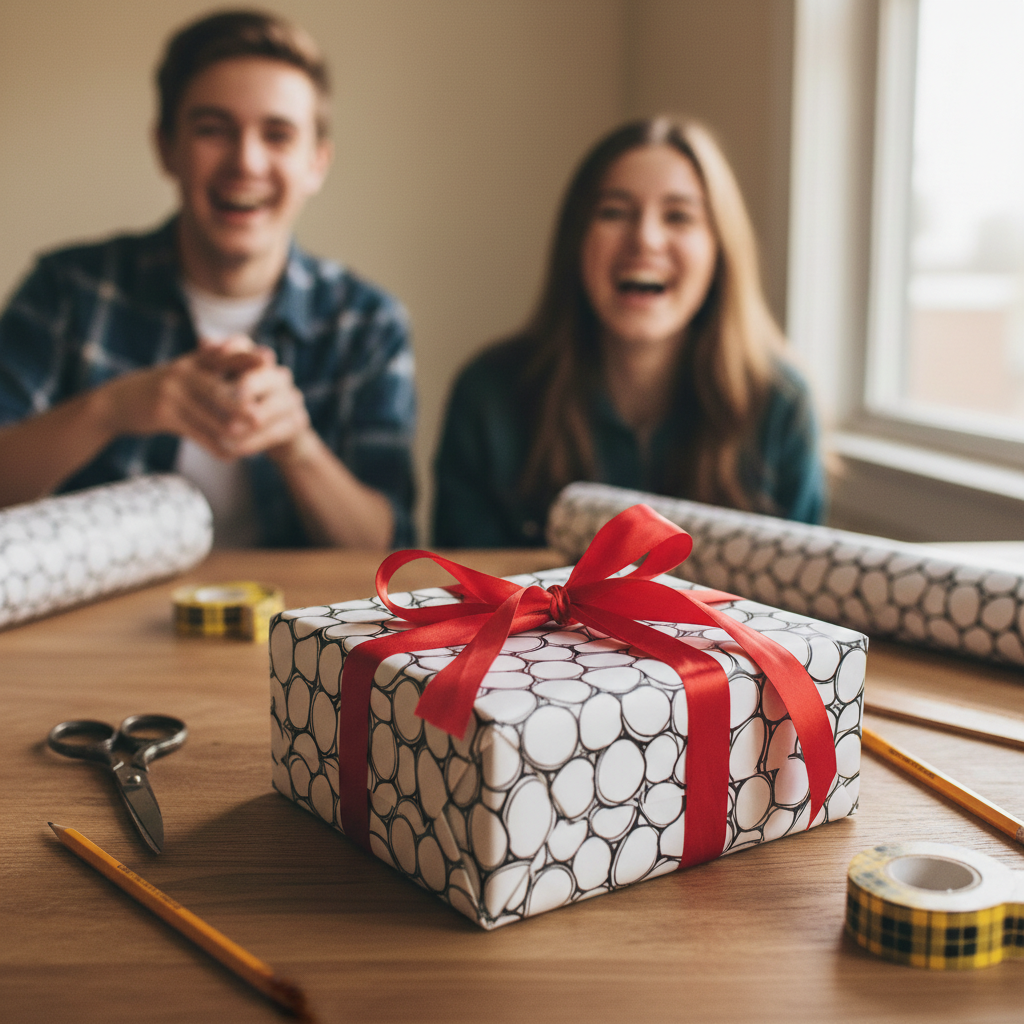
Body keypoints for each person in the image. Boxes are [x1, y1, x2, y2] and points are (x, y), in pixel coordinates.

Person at [0, 10, 414, 548]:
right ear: (166, 148)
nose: (246, 161)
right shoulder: (67, 291)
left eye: (277, 134)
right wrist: (112, 409)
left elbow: (386, 548)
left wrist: (298, 447)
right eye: (212, 130)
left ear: (317, 162)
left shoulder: (367, 323)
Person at [433, 116, 824, 547]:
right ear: (576, 241)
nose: (645, 239)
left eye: (678, 216)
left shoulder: (781, 404)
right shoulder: (488, 395)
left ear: (720, 249)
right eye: (613, 212)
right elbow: (466, 585)